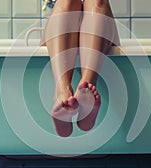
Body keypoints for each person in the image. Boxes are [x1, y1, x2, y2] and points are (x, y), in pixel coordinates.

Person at [42, 0, 119, 137]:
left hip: (100, 34)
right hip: (61, 37)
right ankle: (70, 91)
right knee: (69, 1)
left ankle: (79, 90)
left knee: (97, 1)